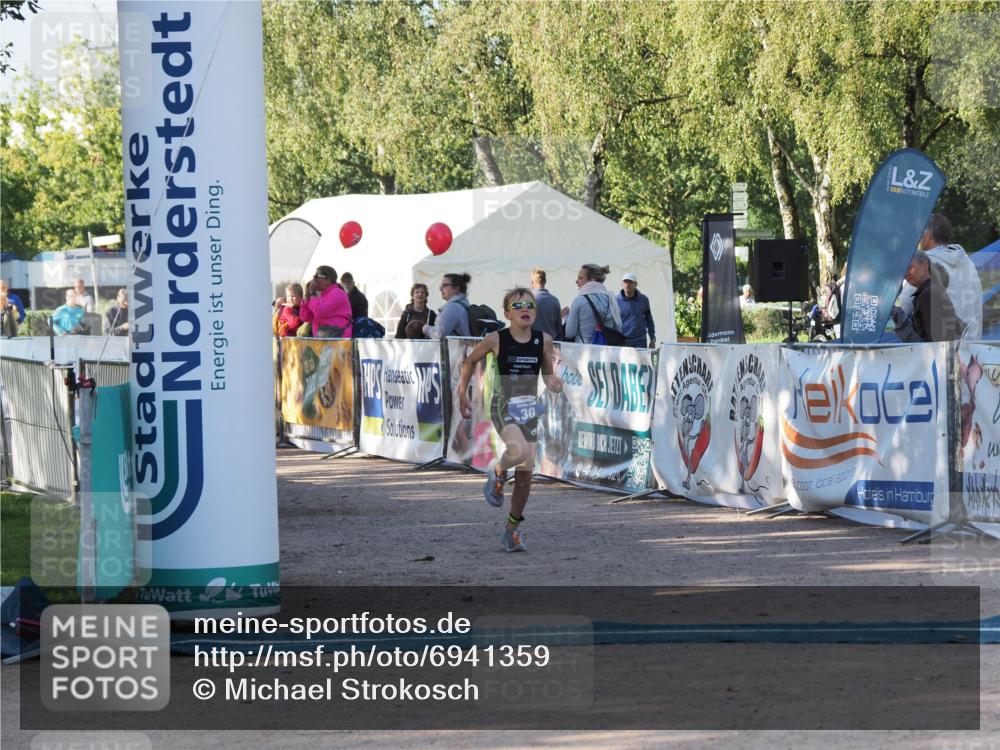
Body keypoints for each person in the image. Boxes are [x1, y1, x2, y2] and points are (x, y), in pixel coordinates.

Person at [458, 288, 563, 552]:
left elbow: (548, 373)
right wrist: (462, 393)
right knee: (517, 450)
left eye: (529, 305)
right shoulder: (496, 339)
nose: (525, 309)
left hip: (528, 407)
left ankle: (512, 530)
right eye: (518, 306)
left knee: (526, 476)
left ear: (535, 312)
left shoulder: (544, 341)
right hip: (503, 403)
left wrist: (553, 382)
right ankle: (498, 471)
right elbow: (470, 361)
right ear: (507, 314)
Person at [897, 213, 982, 339]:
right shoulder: (968, 262)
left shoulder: (922, 264)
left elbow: (904, 308)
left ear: (927, 235)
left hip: (940, 351)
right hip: (973, 350)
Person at [904, 250, 962, 342]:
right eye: (903, 270)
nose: (906, 273)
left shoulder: (928, 293)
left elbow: (935, 342)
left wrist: (902, 323)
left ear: (925, 265)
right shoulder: (932, 290)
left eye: (909, 268)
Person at [561, 264, 622, 344]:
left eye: (580, 278)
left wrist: (566, 317)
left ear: (592, 279)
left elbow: (570, 334)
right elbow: (617, 329)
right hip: (606, 352)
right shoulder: (611, 299)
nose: (576, 281)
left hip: (583, 351)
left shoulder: (579, 300)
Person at [300, 265, 353, 338]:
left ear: (328, 279)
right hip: (323, 341)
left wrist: (313, 294)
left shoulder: (337, 293)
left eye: (316, 276)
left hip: (337, 341)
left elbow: (320, 312)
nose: (313, 279)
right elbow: (306, 317)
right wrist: (307, 296)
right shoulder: (321, 296)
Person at [423, 273, 472, 338]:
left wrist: (425, 328)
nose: (441, 289)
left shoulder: (453, 307)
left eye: (444, 285)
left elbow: (439, 334)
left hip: (455, 348)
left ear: (456, 288)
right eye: (441, 286)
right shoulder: (463, 303)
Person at [616, 272, 656, 348]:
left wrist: (652, 339)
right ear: (622, 284)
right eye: (625, 282)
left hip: (640, 341)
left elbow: (649, 320)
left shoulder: (644, 299)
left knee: (641, 360)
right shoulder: (616, 300)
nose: (627, 284)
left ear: (635, 284)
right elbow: (612, 322)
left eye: (630, 282)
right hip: (622, 341)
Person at [530, 267, 562, 339]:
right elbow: (559, 327)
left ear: (532, 282)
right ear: (545, 281)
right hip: (550, 342)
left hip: (532, 342)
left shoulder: (528, 299)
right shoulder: (555, 300)